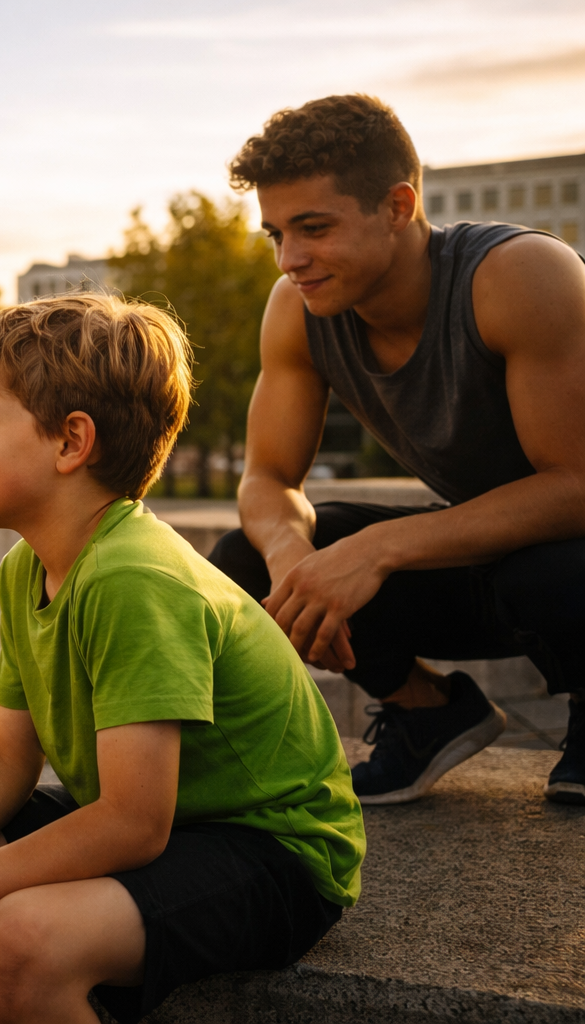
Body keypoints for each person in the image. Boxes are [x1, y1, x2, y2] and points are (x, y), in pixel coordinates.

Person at [0, 294, 364, 1024]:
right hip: (172, 823)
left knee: (26, 937)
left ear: (70, 442)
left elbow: (131, 824)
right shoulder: (27, 568)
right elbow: (2, 761)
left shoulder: (133, 578)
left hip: (272, 851)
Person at [213, 94, 585, 806]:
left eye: (313, 228)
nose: (291, 259)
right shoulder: (297, 307)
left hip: (567, 555)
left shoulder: (520, 274)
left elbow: (576, 486)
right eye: (275, 235)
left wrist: (380, 547)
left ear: (397, 205)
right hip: (493, 555)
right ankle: (428, 712)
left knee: (546, 571)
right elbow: (266, 477)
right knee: (247, 555)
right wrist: (295, 558)